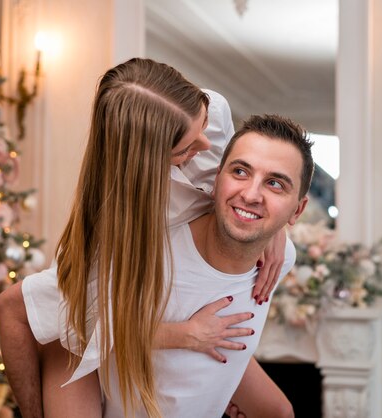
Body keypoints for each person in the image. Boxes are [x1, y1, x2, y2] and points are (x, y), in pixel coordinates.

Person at [0, 58, 290, 417]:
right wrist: (187, 334)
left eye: (204, 123)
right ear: (149, 162)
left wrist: (274, 225)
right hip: (89, 340)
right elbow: (82, 326)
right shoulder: (113, 238)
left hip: (177, 298)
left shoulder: (211, 111)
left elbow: (241, 183)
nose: (205, 143)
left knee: (278, 410)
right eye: (184, 149)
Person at [96, 113, 312, 417]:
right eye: (240, 171)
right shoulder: (151, 248)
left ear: (297, 210)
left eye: (275, 184)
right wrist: (187, 335)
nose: (251, 195)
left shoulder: (280, 258)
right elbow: (80, 329)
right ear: (216, 178)